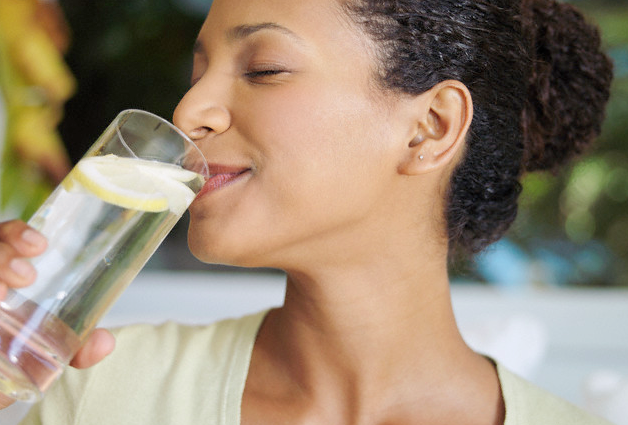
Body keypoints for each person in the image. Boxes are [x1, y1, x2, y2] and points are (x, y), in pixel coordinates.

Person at [0, 0, 614, 423]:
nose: (189, 112)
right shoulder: (102, 391)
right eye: (198, 72)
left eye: (264, 69)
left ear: (430, 127)